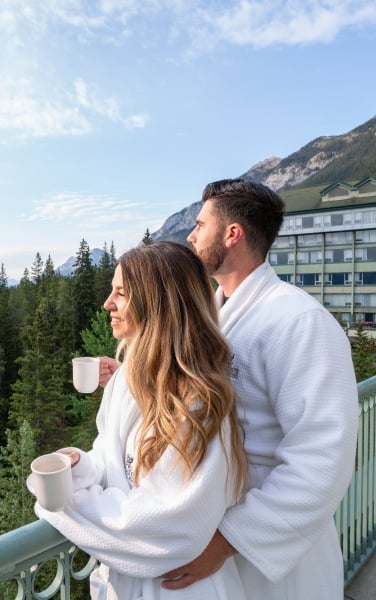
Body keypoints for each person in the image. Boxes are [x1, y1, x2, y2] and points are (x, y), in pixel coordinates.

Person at [102, 179, 359, 599]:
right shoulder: (212, 316)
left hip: (265, 549)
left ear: (232, 234)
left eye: (200, 225)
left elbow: (322, 459)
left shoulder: (299, 322)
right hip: (202, 529)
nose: (190, 235)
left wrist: (229, 541)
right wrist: (130, 381)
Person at [33, 241, 249, 599]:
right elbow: (110, 460)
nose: (107, 304)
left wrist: (65, 502)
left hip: (182, 589)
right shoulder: (126, 379)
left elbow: (166, 526)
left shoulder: (197, 404)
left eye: (121, 292)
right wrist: (79, 468)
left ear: (157, 303)